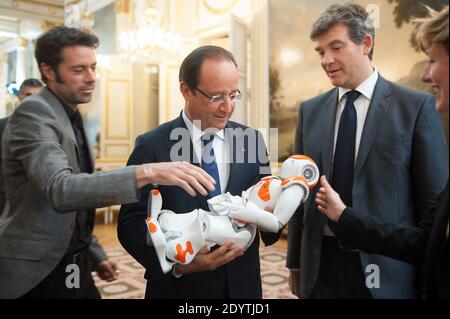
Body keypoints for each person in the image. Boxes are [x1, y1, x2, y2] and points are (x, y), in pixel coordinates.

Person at [0, 26, 215, 299]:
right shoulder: (34, 113)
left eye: (93, 67)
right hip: (34, 269)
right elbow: (60, 189)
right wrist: (148, 171)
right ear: (48, 71)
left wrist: (94, 253)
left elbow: (74, 206)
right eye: (78, 70)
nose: (91, 78)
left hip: (74, 262)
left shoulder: (68, 113)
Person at [286, 3, 448, 299]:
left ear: (366, 43)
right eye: (320, 52)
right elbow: (299, 197)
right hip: (322, 266)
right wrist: (295, 264)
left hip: (388, 269)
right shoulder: (309, 111)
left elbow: (433, 211)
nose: (326, 60)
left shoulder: (415, 107)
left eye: (336, 47)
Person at [118, 45, 279, 299]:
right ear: (186, 90)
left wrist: (276, 214)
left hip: (242, 287)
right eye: (216, 97)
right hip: (180, 290)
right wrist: (179, 265)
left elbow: (267, 206)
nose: (227, 107)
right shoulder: (152, 145)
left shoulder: (251, 140)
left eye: (234, 95)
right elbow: (130, 225)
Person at [0, 78, 44, 214]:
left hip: (37, 199)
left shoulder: (50, 128)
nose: (33, 100)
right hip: (4, 195)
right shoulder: (1, 125)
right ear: (20, 96)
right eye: (28, 95)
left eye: (38, 96)